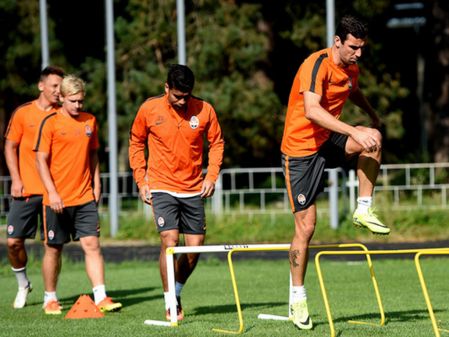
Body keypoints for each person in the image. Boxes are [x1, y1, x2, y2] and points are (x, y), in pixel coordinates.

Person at [280, 15, 390, 330]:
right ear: (338, 41)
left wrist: (370, 114)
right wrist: (354, 131)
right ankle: (297, 298)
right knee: (307, 227)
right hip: (300, 152)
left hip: (327, 140)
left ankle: (364, 209)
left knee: (374, 140)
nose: (359, 54)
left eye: (362, 48)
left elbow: (351, 88)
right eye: (354, 47)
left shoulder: (350, 66)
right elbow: (313, 111)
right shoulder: (314, 65)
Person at [129, 64, 224, 321]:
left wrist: (211, 176)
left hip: (193, 188)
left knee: (194, 250)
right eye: (177, 96)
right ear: (166, 88)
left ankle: (177, 291)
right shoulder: (149, 109)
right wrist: (141, 180)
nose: (183, 101)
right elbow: (136, 142)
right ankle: (170, 301)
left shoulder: (205, 109)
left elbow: (217, 143)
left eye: (187, 96)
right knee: (170, 240)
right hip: (161, 185)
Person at [34, 74, 122, 314]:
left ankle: (101, 296)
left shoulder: (90, 121)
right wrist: (52, 193)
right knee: (54, 248)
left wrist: (97, 184)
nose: (78, 105)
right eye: (73, 101)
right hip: (56, 199)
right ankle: (50, 298)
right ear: (61, 98)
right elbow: (40, 161)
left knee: (92, 244)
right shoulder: (50, 123)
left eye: (81, 101)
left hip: (84, 196)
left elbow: (93, 155)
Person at [4, 66, 64, 309]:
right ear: (41, 86)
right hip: (26, 190)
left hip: (54, 193)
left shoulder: (63, 115)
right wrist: (16, 179)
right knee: (13, 242)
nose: (59, 91)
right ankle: (22, 284)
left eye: (61, 86)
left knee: (52, 246)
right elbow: (10, 147)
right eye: (54, 86)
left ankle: (51, 296)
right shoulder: (23, 113)